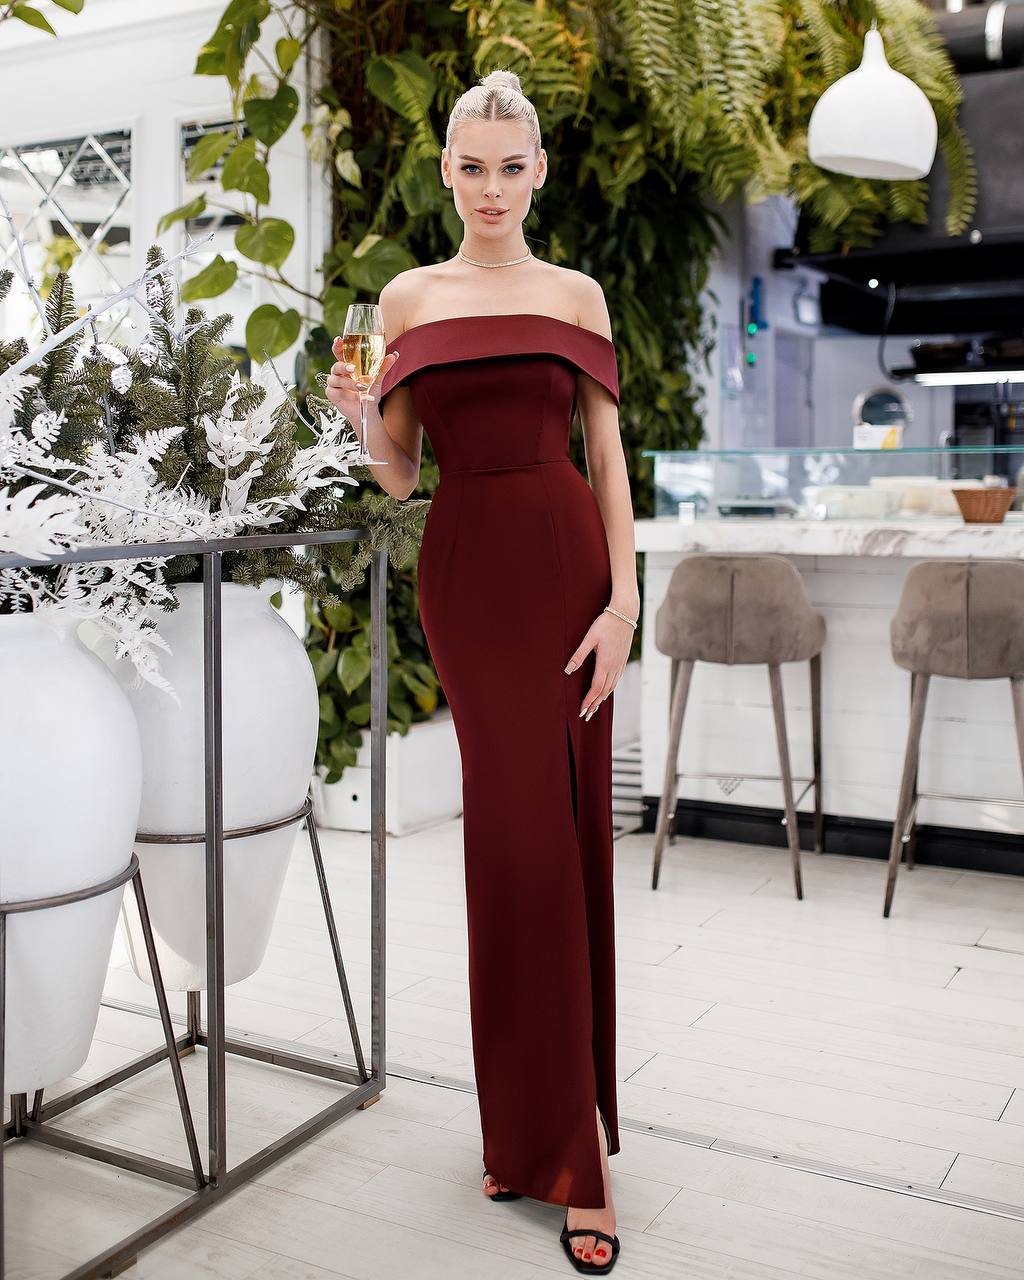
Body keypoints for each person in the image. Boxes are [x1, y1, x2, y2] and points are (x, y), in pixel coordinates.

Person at [325, 67, 637, 1273]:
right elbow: (400, 471)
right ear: (446, 169)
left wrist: (623, 603)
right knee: (509, 849)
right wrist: (357, 412)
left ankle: (568, 1151)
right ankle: (526, 1131)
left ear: (538, 171)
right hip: (466, 579)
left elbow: (605, 456)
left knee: (557, 846)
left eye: (511, 166)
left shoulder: (575, 293)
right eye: (472, 166)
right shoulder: (403, 298)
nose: (491, 186)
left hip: (566, 570)